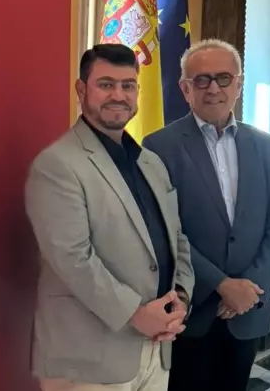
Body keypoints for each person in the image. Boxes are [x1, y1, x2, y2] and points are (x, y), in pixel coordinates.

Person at [25, 44, 195, 391]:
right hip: (90, 357)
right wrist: (136, 314)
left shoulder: (150, 163)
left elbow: (176, 239)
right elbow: (72, 258)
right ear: (81, 90)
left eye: (128, 85)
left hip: (156, 345)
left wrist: (181, 298)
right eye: (106, 84)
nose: (119, 95)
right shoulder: (58, 164)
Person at [143, 39, 270, 391]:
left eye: (224, 78)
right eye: (201, 80)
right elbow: (163, 230)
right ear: (185, 88)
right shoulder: (158, 147)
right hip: (191, 309)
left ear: (238, 84)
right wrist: (222, 285)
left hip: (248, 309)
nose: (213, 88)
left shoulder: (267, 147)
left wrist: (250, 289)